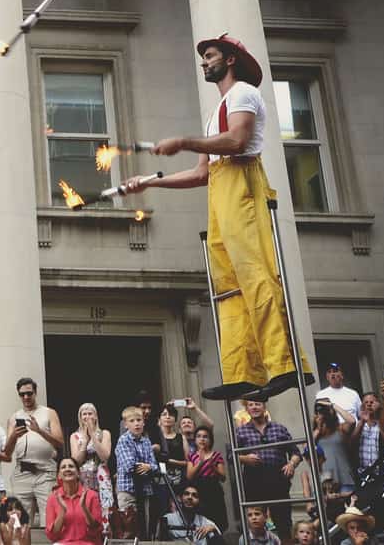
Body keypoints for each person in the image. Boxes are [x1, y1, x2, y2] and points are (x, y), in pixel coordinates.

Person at [123, 33, 314, 401]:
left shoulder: (243, 93)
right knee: (229, 286)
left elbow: (237, 142)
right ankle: (243, 371)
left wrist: (184, 141)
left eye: (209, 55)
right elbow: (202, 173)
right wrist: (149, 181)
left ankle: (286, 364)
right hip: (220, 193)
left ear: (229, 59)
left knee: (256, 274)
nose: (203, 61)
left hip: (242, 185)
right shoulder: (215, 113)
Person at [236, 399, 301, 540]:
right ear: (247, 409)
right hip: (254, 482)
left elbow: (296, 453)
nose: (254, 407)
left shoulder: (279, 428)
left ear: (264, 406)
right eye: (251, 405)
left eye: (257, 404)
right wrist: (245, 459)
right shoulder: (241, 431)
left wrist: (291, 464)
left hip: (278, 481)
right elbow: (231, 455)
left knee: (284, 523)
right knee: (255, 524)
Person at [5, 378, 62, 528]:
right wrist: (13, 436)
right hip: (22, 471)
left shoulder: (49, 413)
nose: (26, 397)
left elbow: (60, 442)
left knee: (49, 518)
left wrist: (39, 431)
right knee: (18, 521)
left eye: (29, 393)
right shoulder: (14, 417)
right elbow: (7, 453)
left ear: (35, 393)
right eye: (22, 394)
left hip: (45, 471)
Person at [113, 406, 158, 539]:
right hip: (128, 491)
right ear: (126, 425)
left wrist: (149, 467)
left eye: (139, 420)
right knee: (130, 528)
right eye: (132, 421)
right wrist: (147, 466)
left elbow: (155, 466)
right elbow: (129, 466)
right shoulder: (123, 441)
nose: (136, 423)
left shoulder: (146, 441)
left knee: (146, 527)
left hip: (145, 491)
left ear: (144, 422)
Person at [69, 403, 112, 535]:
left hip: (101, 476)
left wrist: (93, 434)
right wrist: (85, 440)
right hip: (83, 477)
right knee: (85, 506)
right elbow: (75, 461)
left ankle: (104, 534)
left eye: (90, 413)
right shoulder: (74, 436)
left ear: (96, 416)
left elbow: (105, 456)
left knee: (103, 508)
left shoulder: (104, 433)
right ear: (80, 417)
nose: (87, 417)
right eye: (84, 414)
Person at [45, 457, 101, 545]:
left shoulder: (91, 495)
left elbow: (96, 531)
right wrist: (62, 512)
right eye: (63, 467)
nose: (67, 469)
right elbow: (52, 536)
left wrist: (84, 508)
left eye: (71, 466)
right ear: (59, 475)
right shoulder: (53, 498)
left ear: (78, 473)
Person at [186, 426, 228, 530]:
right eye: (199, 436)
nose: (202, 439)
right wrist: (200, 463)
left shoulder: (216, 455)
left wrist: (213, 467)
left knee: (217, 520)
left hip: (214, 489)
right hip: (198, 490)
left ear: (210, 440)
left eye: (205, 437)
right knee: (200, 520)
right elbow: (189, 476)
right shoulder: (192, 456)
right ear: (195, 440)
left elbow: (223, 477)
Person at [312, 398, 356, 496]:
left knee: (348, 510)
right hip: (325, 482)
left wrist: (333, 405)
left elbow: (352, 421)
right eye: (319, 411)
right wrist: (318, 429)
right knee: (327, 511)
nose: (322, 413)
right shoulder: (315, 435)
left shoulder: (340, 428)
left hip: (345, 479)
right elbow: (307, 449)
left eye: (324, 410)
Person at [157, 483, 223, 545]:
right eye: (186, 494)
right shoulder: (168, 519)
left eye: (194, 495)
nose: (190, 497)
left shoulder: (203, 521)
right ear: (180, 498)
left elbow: (218, 534)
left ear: (199, 501)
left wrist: (213, 528)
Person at [350, 390, 384, 476]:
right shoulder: (359, 425)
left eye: (372, 402)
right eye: (366, 402)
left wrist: (379, 416)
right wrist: (362, 421)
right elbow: (352, 445)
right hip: (365, 475)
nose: (369, 404)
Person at [153, 405, 188, 516]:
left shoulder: (181, 437)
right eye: (164, 414)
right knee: (161, 510)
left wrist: (168, 461)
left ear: (175, 419)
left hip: (178, 479)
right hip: (159, 479)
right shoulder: (154, 437)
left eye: (171, 415)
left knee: (177, 509)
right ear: (159, 419)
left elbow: (187, 461)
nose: (168, 417)